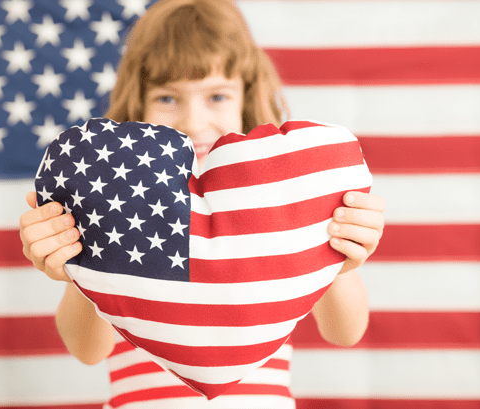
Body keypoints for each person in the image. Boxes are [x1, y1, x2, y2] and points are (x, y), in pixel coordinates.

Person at [19, 0, 386, 407]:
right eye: (167, 98)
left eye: (216, 96)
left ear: (245, 97)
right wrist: (77, 267)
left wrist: (338, 260)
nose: (193, 122)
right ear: (136, 102)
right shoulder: (116, 207)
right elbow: (88, 350)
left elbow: (345, 331)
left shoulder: (278, 203)